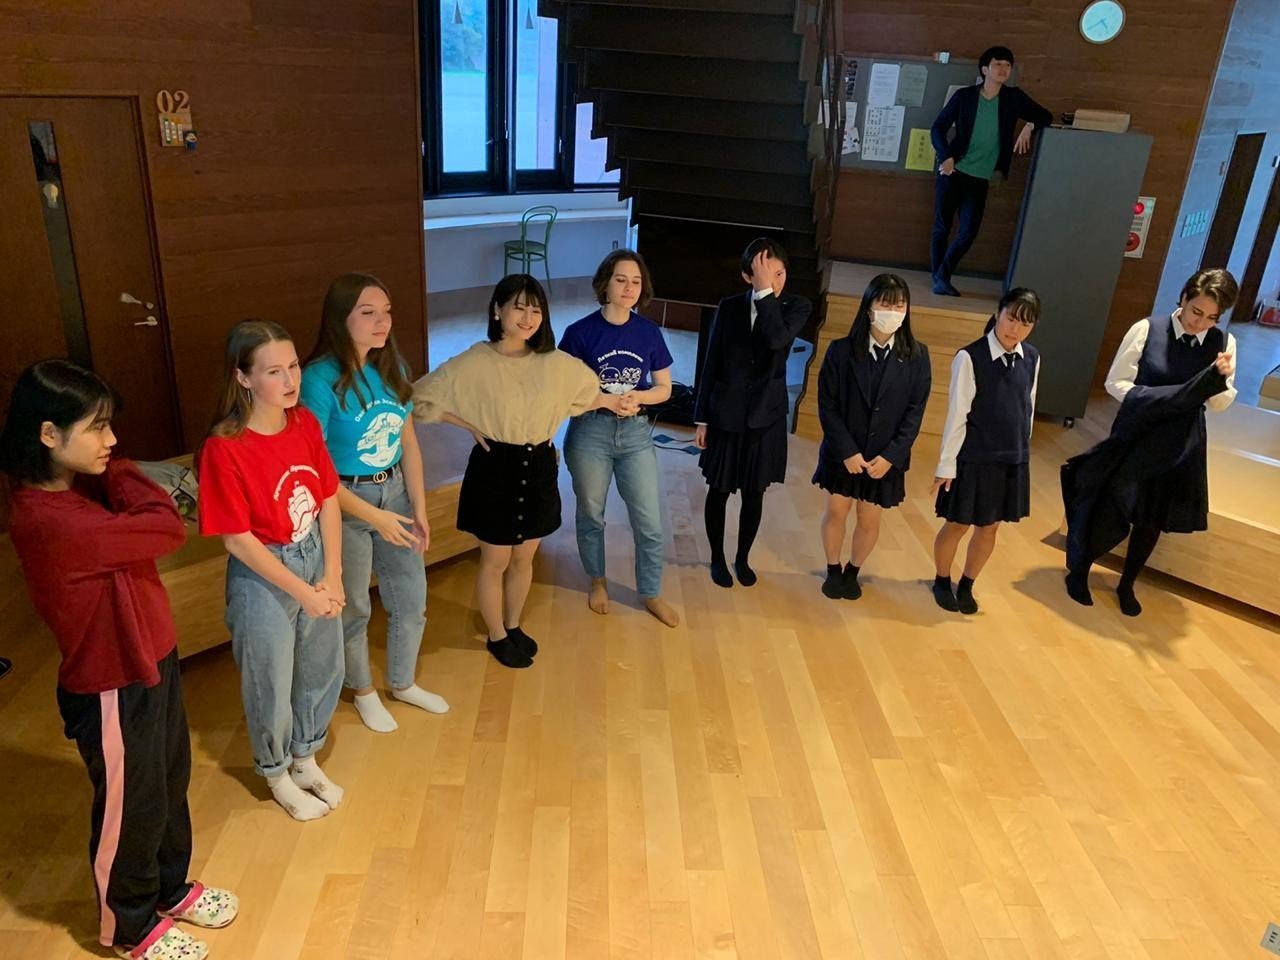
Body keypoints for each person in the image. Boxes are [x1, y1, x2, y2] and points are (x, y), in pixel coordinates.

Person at [0, 360, 238, 960]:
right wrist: (125, 471)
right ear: (48, 434)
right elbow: (166, 527)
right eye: (97, 427)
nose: (112, 441)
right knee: (129, 809)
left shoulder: (78, 487)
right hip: (110, 681)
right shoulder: (49, 519)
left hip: (153, 658)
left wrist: (111, 473)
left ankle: (168, 889)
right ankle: (126, 927)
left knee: (167, 782)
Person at [411, 274, 618, 668]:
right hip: (495, 468)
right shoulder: (474, 361)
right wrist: (466, 424)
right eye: (519, 307)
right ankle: (496, 636)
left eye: (536, 309)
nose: (528, 317)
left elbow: (586, 394)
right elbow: (417, 398)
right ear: (497, 310)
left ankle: (513, 624)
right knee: (495, 561)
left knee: (524, 560)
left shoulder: (555, 362)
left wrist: (608, 404)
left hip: (539, 465)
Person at [197, 320, 346, 822]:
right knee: (270, 679)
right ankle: (276, 772)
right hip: (263, 570)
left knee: (323, 664)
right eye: (274, 371)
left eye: (294, 366)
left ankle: (305, 758)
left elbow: (327, 497)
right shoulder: (225, 446)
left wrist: (334, 574)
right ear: (244, 378)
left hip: (314, 553)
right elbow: (236, 538)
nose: (290, 380)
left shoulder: (303, 423)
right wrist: (303, 591)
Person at [301, 273, 449, 733]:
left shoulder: (392, 367)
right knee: (355, 608)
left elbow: (408, 442)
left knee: (411, 597)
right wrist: (373, 516)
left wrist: (418, 509)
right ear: (340, 318)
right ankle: (362, 690)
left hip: (395, 494)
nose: (381, 322)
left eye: (386, 312)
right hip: (344, 503)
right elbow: (317, 471)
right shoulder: (319, 378)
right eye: (367, 313)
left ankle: (403, 682)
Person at [1062, 268, 1238, 616]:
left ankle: (1127, 583)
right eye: (1196, 312)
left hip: (1181, 441)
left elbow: (1219, 404)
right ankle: (1079, 571)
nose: (1200, 323)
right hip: (1138, 431)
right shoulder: (1147, 329)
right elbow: (1115, 383)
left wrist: (1222, 380)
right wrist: (1165, 399)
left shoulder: (1223, 344)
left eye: (1211, 318)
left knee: (1153, 516)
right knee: (1112, 503)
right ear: (1183, 298)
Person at [560, 250, 681, 627]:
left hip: (636, 434)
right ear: (605, 283)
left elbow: (664, 387)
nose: (629, 288)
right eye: (621, 280)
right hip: (589, 433)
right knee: (591, 514)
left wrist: (638, 396)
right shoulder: (579, 333)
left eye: (636, 281)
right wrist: (606, 400)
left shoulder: (648, 332)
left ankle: (651, 592)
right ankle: (597, 581)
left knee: (649, 520)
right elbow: (565, 394)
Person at [694, 238, 812, 588]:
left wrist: (765, 295)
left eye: (779, 273)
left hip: (765, 415)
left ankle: (742, 557)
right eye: (764, 275)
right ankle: (717, 557)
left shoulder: (796, 306)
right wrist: (702, 417)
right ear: (747, 276)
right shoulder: (729, 307)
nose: (775, 282)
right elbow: (712, 361)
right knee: (718, 489)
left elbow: (776, 340)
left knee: (754, 492)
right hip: (726, 412)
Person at [814, 273, 931, 599]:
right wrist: (847, 451)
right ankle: (833, 569)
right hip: (844, 452)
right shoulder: (840, 351)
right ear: (868, 308)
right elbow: (827, 405)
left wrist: (891, 456)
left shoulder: (918, 356)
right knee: (836, 511)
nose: (892, 311)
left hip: (884, 457)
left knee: (869, 518)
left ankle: (853, 571)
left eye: (899, 305)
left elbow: (915, 413)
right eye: (885, 304)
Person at [930, 288, 1042, 613]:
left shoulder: (1032, 358)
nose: (1015, 329)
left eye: (1025, 324)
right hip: (974, 458)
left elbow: (1028, 407)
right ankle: (941, 580)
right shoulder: (970, 357)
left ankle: (967, 584)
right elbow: (957, 415)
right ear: (997, 313)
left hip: (1010, 459)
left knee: (990, 527)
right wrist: (946, 465)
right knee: (957, 524)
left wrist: (1022, 452)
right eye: (1010, 318)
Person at [929, 45, 1053, 296]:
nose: (1003, 69)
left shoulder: (1013, 98)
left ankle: (942, 274)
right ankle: (939, 278)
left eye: (1007, 65)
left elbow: (1045, 116)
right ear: (985, 69)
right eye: (998, 64)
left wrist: (1029, 126)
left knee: (968, 232)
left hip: (980, 178)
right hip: (953, 171)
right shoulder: (965, 97)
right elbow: (938, 128)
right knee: (942, 227)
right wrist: (946, 156)